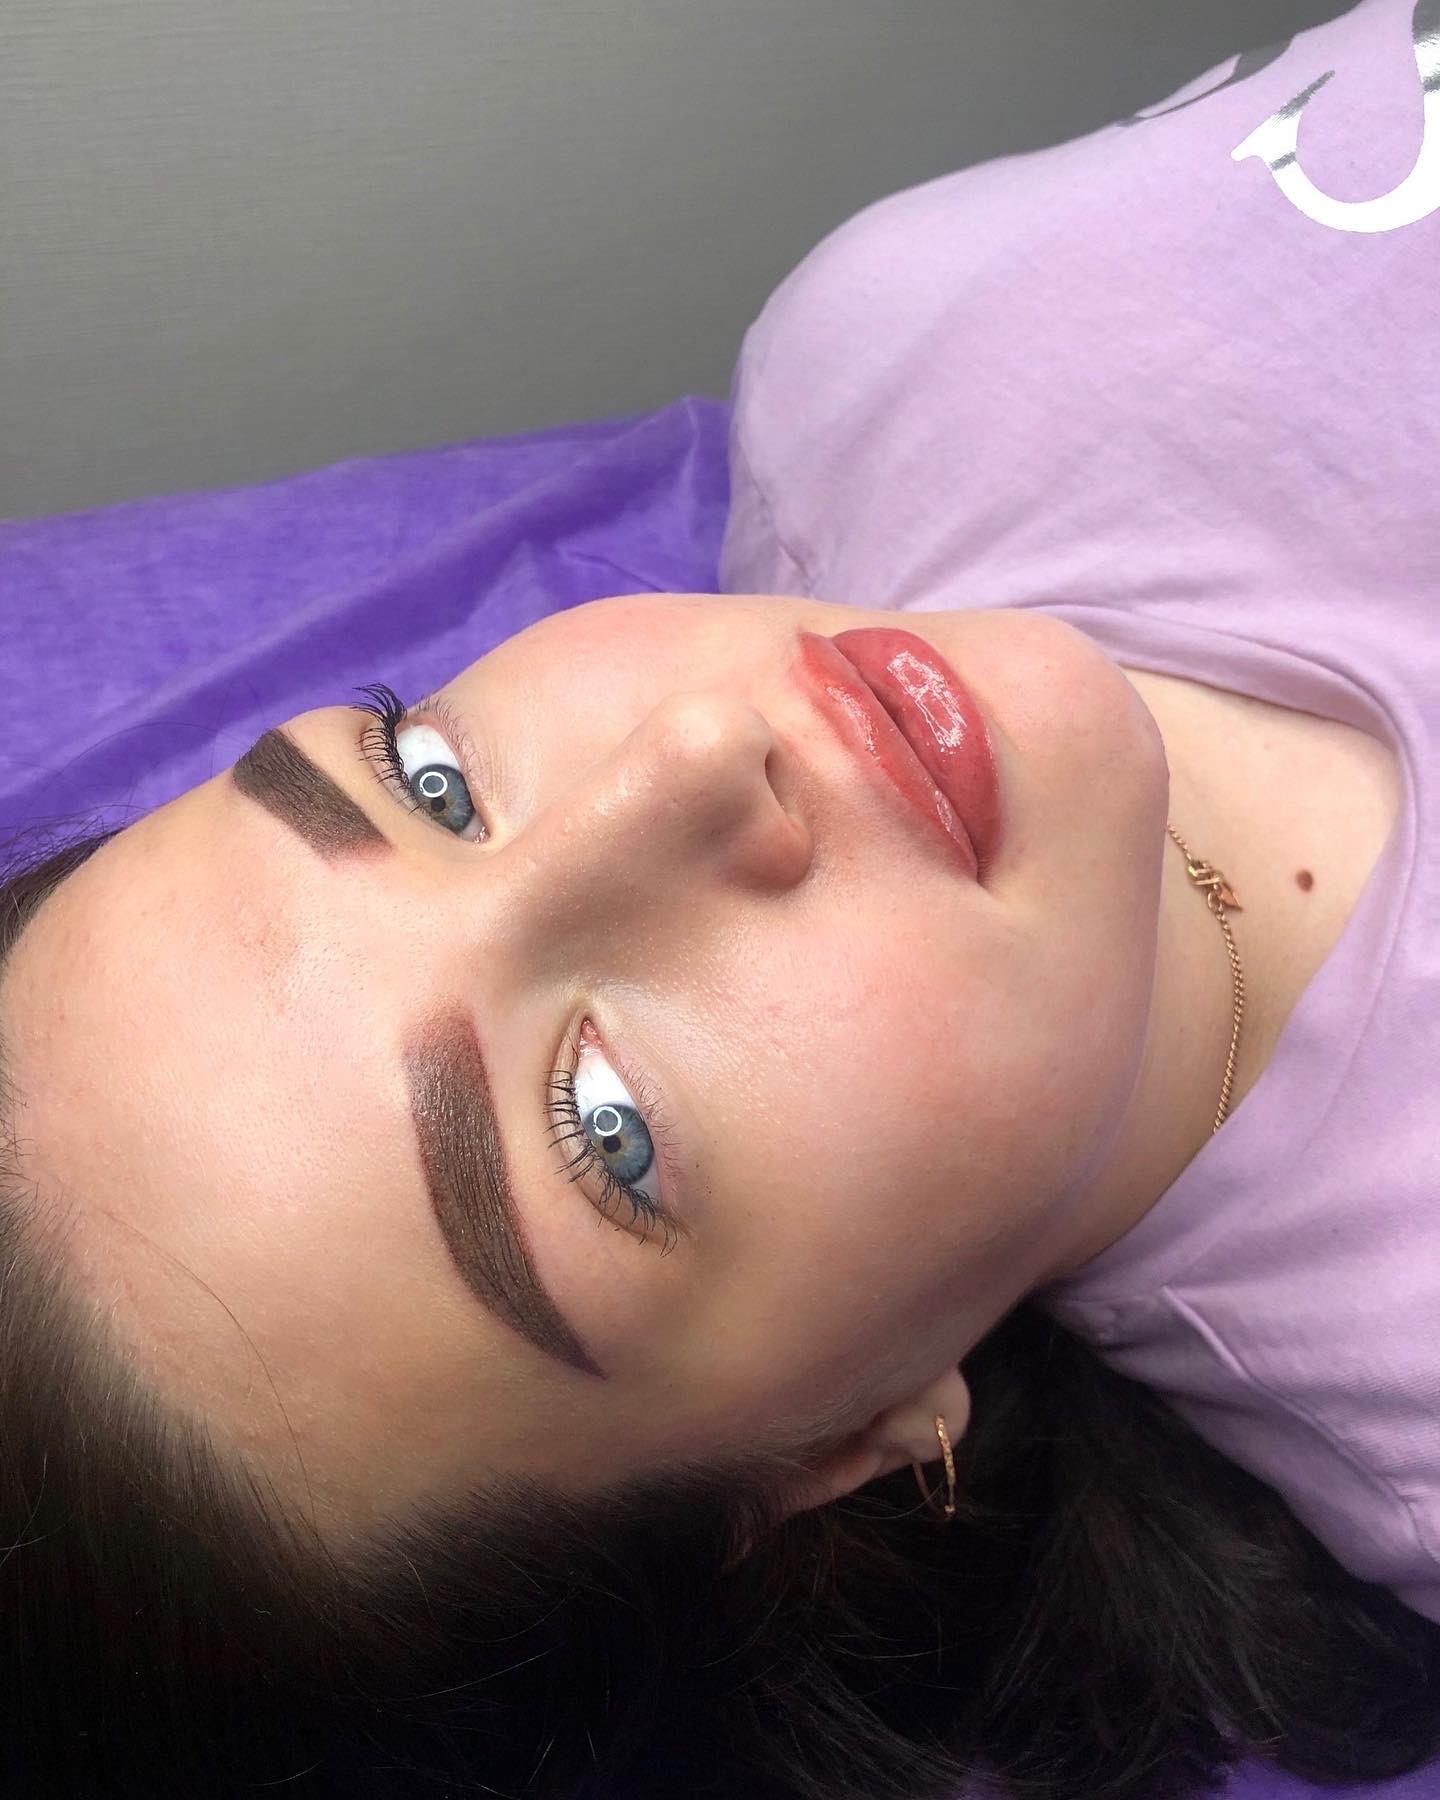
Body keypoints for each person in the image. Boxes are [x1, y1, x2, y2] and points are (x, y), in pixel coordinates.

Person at [3, 2, 1439, 1797]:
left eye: (427, 783)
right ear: (842, 1448)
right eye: (606, 1129)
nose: (689, 756)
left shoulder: (898, 353)